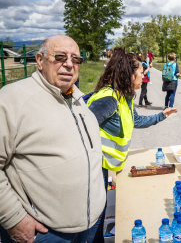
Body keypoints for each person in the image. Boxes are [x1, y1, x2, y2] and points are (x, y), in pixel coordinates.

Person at [0, 35, 106, 243]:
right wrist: (13, 218)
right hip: (44, 232)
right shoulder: (12, 99)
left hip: (87, 225)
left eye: (75, 59)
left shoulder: (76, 97)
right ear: (40, 60)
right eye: (60, 57)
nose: (69, 64)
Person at [87, 48, 178, 242]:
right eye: (141, 74)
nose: (143, 77)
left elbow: (136, 121)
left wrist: (162, 115)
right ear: (128, 74)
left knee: (101, 215)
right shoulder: (108, 99)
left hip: (108, 168)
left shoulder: (125, 96)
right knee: (95, 219)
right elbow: (81, 133)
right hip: (95, 170)